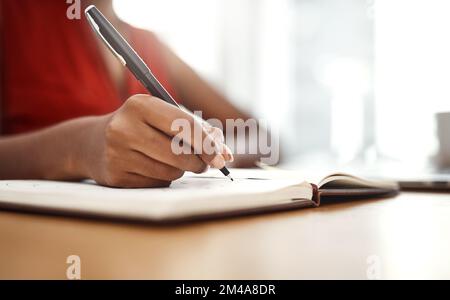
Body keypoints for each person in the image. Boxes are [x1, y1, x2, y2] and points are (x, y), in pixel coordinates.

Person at [0, 0, 262, 188]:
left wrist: (219, 155)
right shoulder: (12, 17)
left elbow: (259, 133)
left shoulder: (150, 45)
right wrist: (77, 149)